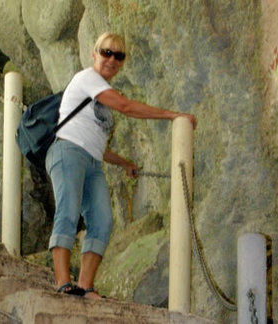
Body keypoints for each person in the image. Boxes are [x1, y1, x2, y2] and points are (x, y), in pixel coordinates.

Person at [47, 32, 197, 300]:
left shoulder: (101, 90)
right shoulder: (87, 78)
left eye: (119, 55)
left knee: (103, 221)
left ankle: (84, 286)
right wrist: (172, 115)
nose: (111, 59)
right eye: (106, 52)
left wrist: (125, 163)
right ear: (94, 54)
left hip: (92, 160)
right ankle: (61, 282)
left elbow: (98, 146)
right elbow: (126, 106)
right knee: (68, 210)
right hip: (67, 150)